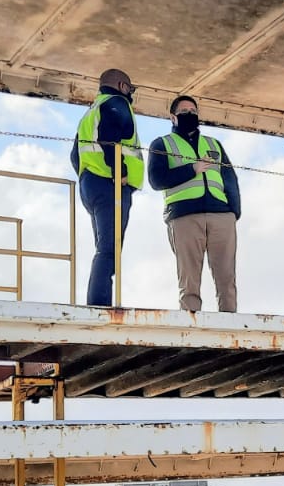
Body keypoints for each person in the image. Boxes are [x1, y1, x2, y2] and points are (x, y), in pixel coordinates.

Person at [147, 95, 241, 312]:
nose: (190, 114)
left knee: (226, 277)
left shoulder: (213, 144)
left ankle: (229, 324)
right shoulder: (162, 144)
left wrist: (233, 212)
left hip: (221, 216)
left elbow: (230, 179)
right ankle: (191, 323)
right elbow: (156, 180)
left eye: (193, 110)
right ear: (173, 117)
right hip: (184, 217)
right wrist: (192, 169)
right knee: (189, 279)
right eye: (184, 111)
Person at [70, 68, 143, 307]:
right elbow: (110, 139)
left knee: (104, 248)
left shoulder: (91, 112)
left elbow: (75, 156)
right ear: (122, 86)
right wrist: (119, 172)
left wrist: (88, 176)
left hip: (91, 185)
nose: (130, 94)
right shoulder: (116, 103)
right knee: (109, 250)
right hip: (111, 186)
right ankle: (100, 304)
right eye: (130, 89)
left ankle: (98, 301)